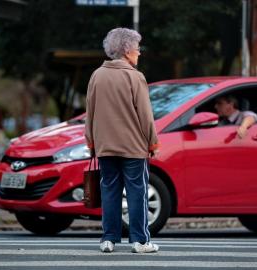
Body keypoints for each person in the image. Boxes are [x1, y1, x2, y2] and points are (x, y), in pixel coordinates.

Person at [85, 28, 159, 253]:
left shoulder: (97, 75)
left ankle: (108, 239)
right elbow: (145, 114)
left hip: (105, 146)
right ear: (127, 51)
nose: (139, 53)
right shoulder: (135, 76)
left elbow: (90, 111)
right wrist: (152, 142)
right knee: (137, 191)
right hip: (133, 147)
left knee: (109, 190)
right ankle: (140, 241)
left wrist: (91, 142)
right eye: (137, 48)